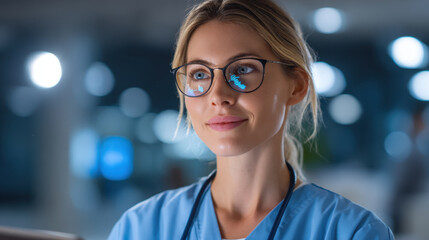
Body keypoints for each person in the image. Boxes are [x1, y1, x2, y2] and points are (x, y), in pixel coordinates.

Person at [108, 0, 394, 239]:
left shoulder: (351, 232)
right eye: (199, 74)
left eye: (243, 69)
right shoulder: (141, 228)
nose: (218, 95)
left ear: (296, 86)